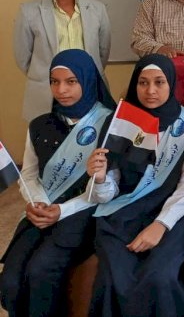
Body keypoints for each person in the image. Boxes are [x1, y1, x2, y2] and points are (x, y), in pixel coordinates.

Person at [88, 54, 184, 316]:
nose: (150, 90)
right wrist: (100, 178)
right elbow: (108, 191)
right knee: (113, 277)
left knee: (161, 276)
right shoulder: (119, 123)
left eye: (159, 82)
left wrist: (161, 224)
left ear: (171, 83)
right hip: (122, 214)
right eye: (143, 82)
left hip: (172, 212)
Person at [0, 50, 116, 317]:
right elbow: (29, 175)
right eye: (55, 81)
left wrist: (61, 211)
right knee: (11, 280)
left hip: (84, 214)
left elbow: (108, 190)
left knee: (41, 271)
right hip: (42, 211)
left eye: (71, 81)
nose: (61, 90)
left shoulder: (110, 124)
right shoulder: (39, 125)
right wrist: (38, 202)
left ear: (87, 80)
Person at [14, 0, 111, 123]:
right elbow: (23, 57)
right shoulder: (28, 11)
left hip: (89, 91)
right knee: (49, 138)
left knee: (93, 137)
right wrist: (49, 77)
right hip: (48, 94)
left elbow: (103, 52)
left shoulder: (97, 9)